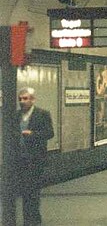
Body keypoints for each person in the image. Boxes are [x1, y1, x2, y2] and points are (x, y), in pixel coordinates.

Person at [15, 87, 54, 226]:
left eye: (25, 98)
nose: (22, 101)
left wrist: (33, 134)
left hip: (36, 159)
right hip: (20, 158)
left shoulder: (42, 114)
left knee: (32, 189)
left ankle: (33, 219)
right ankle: (30, 219)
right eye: (20, 98)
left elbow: (50, 133)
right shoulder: (16, 115)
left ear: (32, 99)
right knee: (25, 190)